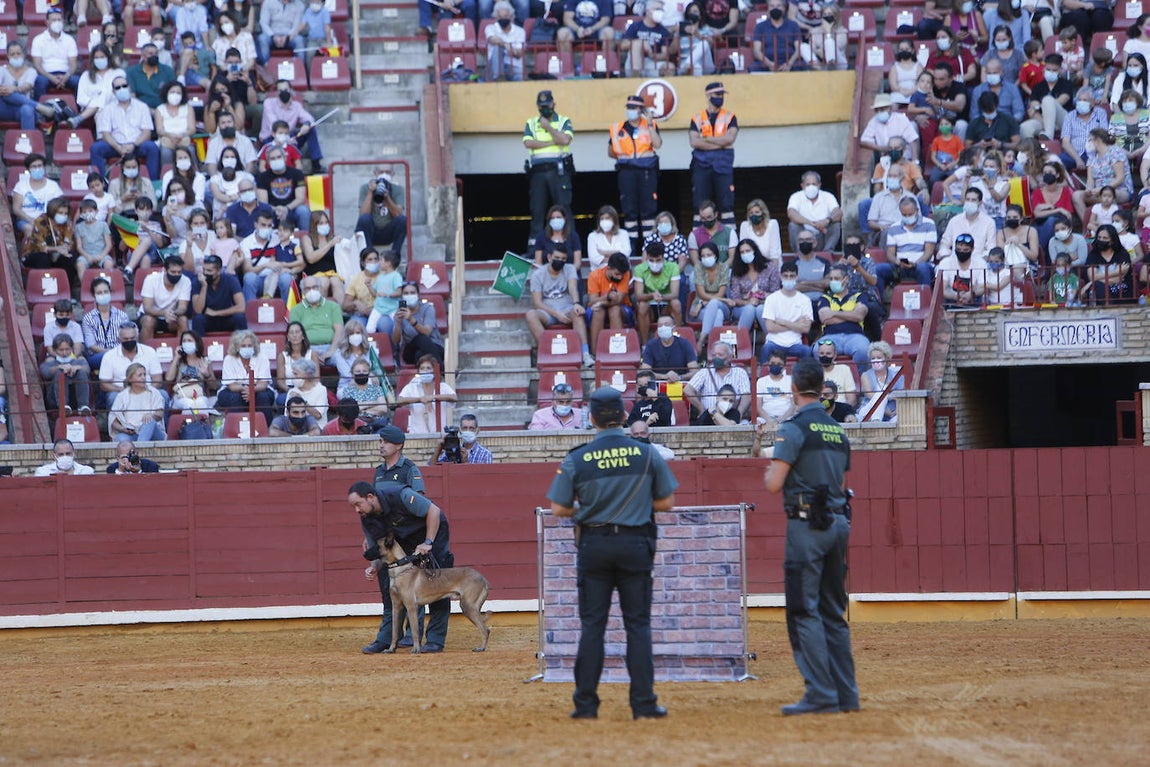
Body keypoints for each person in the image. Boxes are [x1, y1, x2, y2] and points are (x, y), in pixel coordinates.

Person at [548, 386, 678, 720]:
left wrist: (589, 506)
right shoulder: (646, 453)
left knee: (593, 626)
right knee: (638, 625)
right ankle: (644, 704)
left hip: (595, 545)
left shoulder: (577, 457)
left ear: (590, 418)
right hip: (635, 545)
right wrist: (634, 506)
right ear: (624, 416)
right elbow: (665, 502)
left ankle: (586, 706)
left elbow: (559, 508)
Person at [762, 357, 858, 716]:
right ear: (821, 387)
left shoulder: (793, 427)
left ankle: (820, 692)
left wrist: (769, 470)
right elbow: (842, 484)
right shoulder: (837, 430)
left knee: (805, 611)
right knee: (833, 611)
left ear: (793, 388)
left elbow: (774, 484)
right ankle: (846, 695)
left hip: (807, 527)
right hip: (837, 523)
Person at [352, 479, 456, 654]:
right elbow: (376, 548)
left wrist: (428, 542)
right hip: (403, 543)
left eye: (358, 504)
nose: (356, 510)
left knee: (438, 583)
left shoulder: (401, 495)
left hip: (433, 534)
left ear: (370, 497)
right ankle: (386, 639)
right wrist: (374, 567)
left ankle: (435, 640)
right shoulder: (367, 518)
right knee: (389, 586)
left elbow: (434, 511)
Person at [359, 423, 427, 653]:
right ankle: (387, 638)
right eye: (380, 441)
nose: (381, 445)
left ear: (398, 445)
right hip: (388, 539)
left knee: (412, 589)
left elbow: (419, 503)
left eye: (385, 442)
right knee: (388, 589)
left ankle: (411, 635)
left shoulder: (409, 469)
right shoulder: (379, 471)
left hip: (407, 537)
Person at [526, 243, 594, 367]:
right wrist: (557, 314)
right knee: (531, 315)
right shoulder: (538, 274)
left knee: (578, 313)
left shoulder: (569, 268)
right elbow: (537, 303)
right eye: (557, 258)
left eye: (563, 259)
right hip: (548, 312)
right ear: (549, 257)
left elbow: (573, 288)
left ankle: (585, 354)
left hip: (567, 308)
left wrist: (576, 304)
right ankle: (548, 352)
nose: (560, 261)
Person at [609, 95, 662, 242]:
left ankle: (649, 244)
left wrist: (650, 123)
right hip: (626, 172)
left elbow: (657, 144)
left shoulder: (649, 126)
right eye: (628, 108)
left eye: (633, 108)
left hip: (646, 172)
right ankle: (631, 247)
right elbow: (610, 151)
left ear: (641, 110)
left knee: (648, 210)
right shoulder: (617, 128)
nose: (630, 111)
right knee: (629, 210)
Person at [523, 90, 574, 238]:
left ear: (553, 104)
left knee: (563, 209)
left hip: (558, 171)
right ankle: (535, 248)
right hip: (538, 172)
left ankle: (569, 244)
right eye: (541, 106)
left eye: (547, 105)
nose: (544, 108)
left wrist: (549, 128)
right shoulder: (531, 122)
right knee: (537, 211)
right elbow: (528, 143)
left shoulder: (564, 120)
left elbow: (565, 140)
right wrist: (552, 141)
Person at [90, 77, 161, 180]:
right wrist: (119, 148)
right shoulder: (108, 109)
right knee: (95, 148)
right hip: (115, 146)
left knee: (152, 147)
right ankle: (101, 183)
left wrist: (134, 145)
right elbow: (105, 134)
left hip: (137, 145)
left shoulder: (142, 106)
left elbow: (147, 133)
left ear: (129, 87)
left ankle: (153, 183)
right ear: (113, 92)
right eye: (118, 88)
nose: (122, 89)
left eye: (124, 86)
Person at [688, 82, 738, 227]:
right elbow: (694, 142)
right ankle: (697, 241)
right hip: (701, 164)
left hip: (723, 165)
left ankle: (731, 240)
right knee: (699, 204)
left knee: (726, 204)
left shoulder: (730, 116)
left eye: (722, 94)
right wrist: (720, 144)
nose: (720, 97)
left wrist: (706, 139)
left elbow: (730, 139)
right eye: (717, 94)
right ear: (708, 95)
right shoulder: (697, 118)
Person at [259, 79, 325, 173]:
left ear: (291, 90)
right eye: (280, 90)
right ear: (276, 92)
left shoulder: (296, 105)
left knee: (311, 129)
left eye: (286, 89)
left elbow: (309, 119)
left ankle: (316, 163)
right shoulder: (268, 103)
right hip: (271, 138)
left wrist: (306, 125)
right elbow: (275, 125)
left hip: (291, 136)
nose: (283, 92)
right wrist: (287, 139)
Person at [684, 341, 751, 421]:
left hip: (732, 417)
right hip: (709, 417)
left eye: (720, 355)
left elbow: (746, 395)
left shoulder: (740, 373)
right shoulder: (705, 372)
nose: (716, 358)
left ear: (730, 357)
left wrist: (738, 414)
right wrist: (701, 408)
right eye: (714, 355)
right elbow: (687, 390)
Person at [760, 261, 813, 362]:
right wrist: (796, 325)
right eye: (786, 276)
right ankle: (762, 376)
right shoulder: (771, 299)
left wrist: (783, 322)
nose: (789, 279)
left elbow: (806, 329)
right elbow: (770, 327)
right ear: (780, 276)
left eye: (792, 276)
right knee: (766, 349)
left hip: (795, 344)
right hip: (774, 343)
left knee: (807, 351)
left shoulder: (805, 300)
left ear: (797, 277)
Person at [631, 241, 682, 344]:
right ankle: (645, 344)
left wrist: (662, 296)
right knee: (642, 306)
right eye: (651, 260)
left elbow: (675, 294)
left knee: (676, 303)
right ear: (647, 258)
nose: (655, 263)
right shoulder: (639, 269)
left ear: (663, 258)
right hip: (649, 305)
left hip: (666, 304)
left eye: (658, 260)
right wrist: (652, 295)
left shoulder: (673, 267)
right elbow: (639, 295)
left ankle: (677, 341)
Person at [585, 252, 633, 354]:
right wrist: (607, 297)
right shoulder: (594, 275)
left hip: (622, 308)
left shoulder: (626, 273)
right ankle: (596, 353)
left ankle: (618, 351)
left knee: (614, 309)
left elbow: (618, 300)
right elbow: (591, 301)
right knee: (598, 311)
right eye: (616, 274)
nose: (620, 277)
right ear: (609, 268)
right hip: (596, 310)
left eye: (622, 275)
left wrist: (602, 303)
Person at [396, 355, 457, 434]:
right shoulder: (411, 387)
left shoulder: (443, 387)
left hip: (439, 435)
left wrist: (433, 397)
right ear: (418, 371)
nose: (425, 371)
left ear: (434, 371)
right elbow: (399, 400)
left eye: (428, 368)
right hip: (417, 435)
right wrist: (420, 399)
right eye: (422, 368)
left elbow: (454, 397)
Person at [139, 255, 192, 343]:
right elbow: (147, 308)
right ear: (165, 270)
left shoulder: (185, 281)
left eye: (179, 272)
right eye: (173, 272)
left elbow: (183, 307)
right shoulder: (151, 280)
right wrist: (164, 313)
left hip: (172, 316)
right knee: (149, 321)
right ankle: (146, 352)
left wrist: (172, 314)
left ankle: (181, 352)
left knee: (183, 320)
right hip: (152, 315)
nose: (176, 275)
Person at [109, 362, 166, 443]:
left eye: (144, 375)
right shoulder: (122, 396)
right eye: (140, 375)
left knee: (149, 421)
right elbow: (113, 420)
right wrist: (123, 429)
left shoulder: (153, 392)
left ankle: (139, 449)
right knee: (120, 439)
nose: (143, 378)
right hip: (132, 434)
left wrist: (152, 415)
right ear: (130, 379)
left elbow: (160, 413)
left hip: (154, 433)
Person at [356, 168, 408, 256]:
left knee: (403, 220)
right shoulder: (365, 188)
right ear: (375, 173)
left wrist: (387, 198)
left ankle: (394, 257)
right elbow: (363, 214)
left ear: (392, 173)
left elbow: (398, 215)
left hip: (388, 231)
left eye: (387, 172)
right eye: (381, 172)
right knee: (364, 219)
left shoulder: (397, 189)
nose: (384, 174)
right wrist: (370, 192)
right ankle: (368, 256)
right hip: (370, 231)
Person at [786, 170, 843, 252]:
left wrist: (826, 221)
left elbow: (838, 213)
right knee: (793, 226)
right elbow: (791, 213)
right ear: (802, 186)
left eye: (814, 184)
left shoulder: (828, 196)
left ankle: (828, 253)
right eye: (808, 184)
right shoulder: (796, 196)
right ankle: (799, 253)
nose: (811, 187)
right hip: (804, 237)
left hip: (823, 234)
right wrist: (812, 223)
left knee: (835, 225)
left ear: (819, 185)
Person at [392, 282, 445, 368]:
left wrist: (411, 319)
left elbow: (426, 332)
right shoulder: (400, 312)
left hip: (434, 346)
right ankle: (443, 371)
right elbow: (395, 341)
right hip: (410, 349)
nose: (409, 295)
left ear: (418, 295)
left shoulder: (428, 308)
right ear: (402, 296)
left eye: (412, 293)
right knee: (420, 340)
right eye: (406, 293)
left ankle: (433, 376)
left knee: (420, 353)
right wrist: (398, 323)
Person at [192, 255, 248, 335]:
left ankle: (243, 346)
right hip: (208, 320)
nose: (205, 273)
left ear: (218, 271)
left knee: (239, 318)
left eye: (209, 271)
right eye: (204, 270)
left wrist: (216, 313)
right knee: (198, 319)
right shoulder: (198, 282)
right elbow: (198, 310)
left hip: (227, 318)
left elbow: (241, 307)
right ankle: (200, 347)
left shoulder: (230, 280)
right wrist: (204, 286)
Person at [290, 275, 345, 355]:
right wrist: (308, 352)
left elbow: (339, 331)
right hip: (307, 349)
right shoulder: (296, 310)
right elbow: (294, 334)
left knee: (343, 360)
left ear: (320, 288)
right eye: (308, 288)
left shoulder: (333, 306)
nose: (312, 291)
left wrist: (331, 351)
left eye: (315, 287)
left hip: (331, 347)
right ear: (303, 292)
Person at [41, 335, 92, 416]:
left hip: (75, 397)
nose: (64, 353)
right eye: (61, 350)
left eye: (67, 349)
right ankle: (63, 406)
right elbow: (45, 372)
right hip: (55, 400)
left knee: (81, 372)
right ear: (54, 350)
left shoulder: (79, 362)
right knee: (59, 373)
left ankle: (83, 406)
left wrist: (77, 368)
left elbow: (87, 369)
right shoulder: (49, 363)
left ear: (72, 349)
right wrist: (59, 367)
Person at [639, 316, 697, 382]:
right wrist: (664, 377)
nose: (663, 327)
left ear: (674, 328)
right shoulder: (651, 345)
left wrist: (679, 377)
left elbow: (694, 371)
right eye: (660, 325)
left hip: (681, 384)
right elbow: (645, 372)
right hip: (657, 385)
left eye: (666, 325)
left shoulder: (685, 344)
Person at [623, 0, 673, 77]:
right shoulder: (635, 26)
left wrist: (652, 55)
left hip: (651, 63)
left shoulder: (663, 31)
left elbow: (664, 54)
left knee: (669, 67)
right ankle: (636, 76)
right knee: (637, 43)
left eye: (661, 10)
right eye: (657, 9)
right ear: (647, 11)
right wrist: (641, 43)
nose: (660, 12)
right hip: (633, 61)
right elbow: (623, 45)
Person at [485, 0, 527, 82]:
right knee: (497, 48)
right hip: (493, 67)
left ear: (511, 17)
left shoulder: (520, 31)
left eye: (506, 16)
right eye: (500, 17)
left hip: (513, 65)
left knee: (520, 74)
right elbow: (492, 39)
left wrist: (513, 51)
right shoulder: (490, 28)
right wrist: (506, 46)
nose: (503, 19)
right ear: (496, 17)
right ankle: (497, 78)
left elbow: (519, 52)